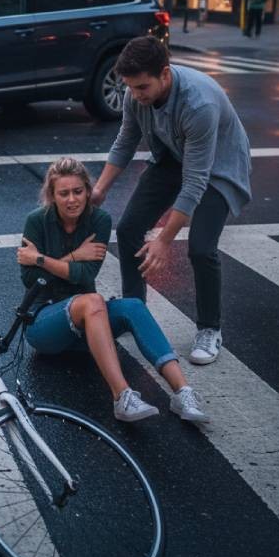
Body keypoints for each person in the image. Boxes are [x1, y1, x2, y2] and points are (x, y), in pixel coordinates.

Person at [92, 36, 251, 366]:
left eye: (142, 87)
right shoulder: (136, 95)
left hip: (218, 167)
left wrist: (164, 239)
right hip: (174, 155)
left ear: (164, 74)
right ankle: (133, 312)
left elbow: (195, 182)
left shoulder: (198, 104)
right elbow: (125, 142)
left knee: (201, 247)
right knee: (129, 228)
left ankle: (209, 328)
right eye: (131, 87)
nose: (136, 95)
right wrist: (100, 190)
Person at [18, 157, 209, 425]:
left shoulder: (99, 220)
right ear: (52, 195)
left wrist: (42, 259)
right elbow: (31, 279)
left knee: (133, 305)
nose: (72, 199)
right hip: (45, 326)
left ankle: (182, 392)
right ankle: (122, 396)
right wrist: (74, 256)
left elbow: (86, 274)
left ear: (87, 191)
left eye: (78, 191)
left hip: (88, 328)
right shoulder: (37, 221)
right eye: (64, 193)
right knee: (92, 300)